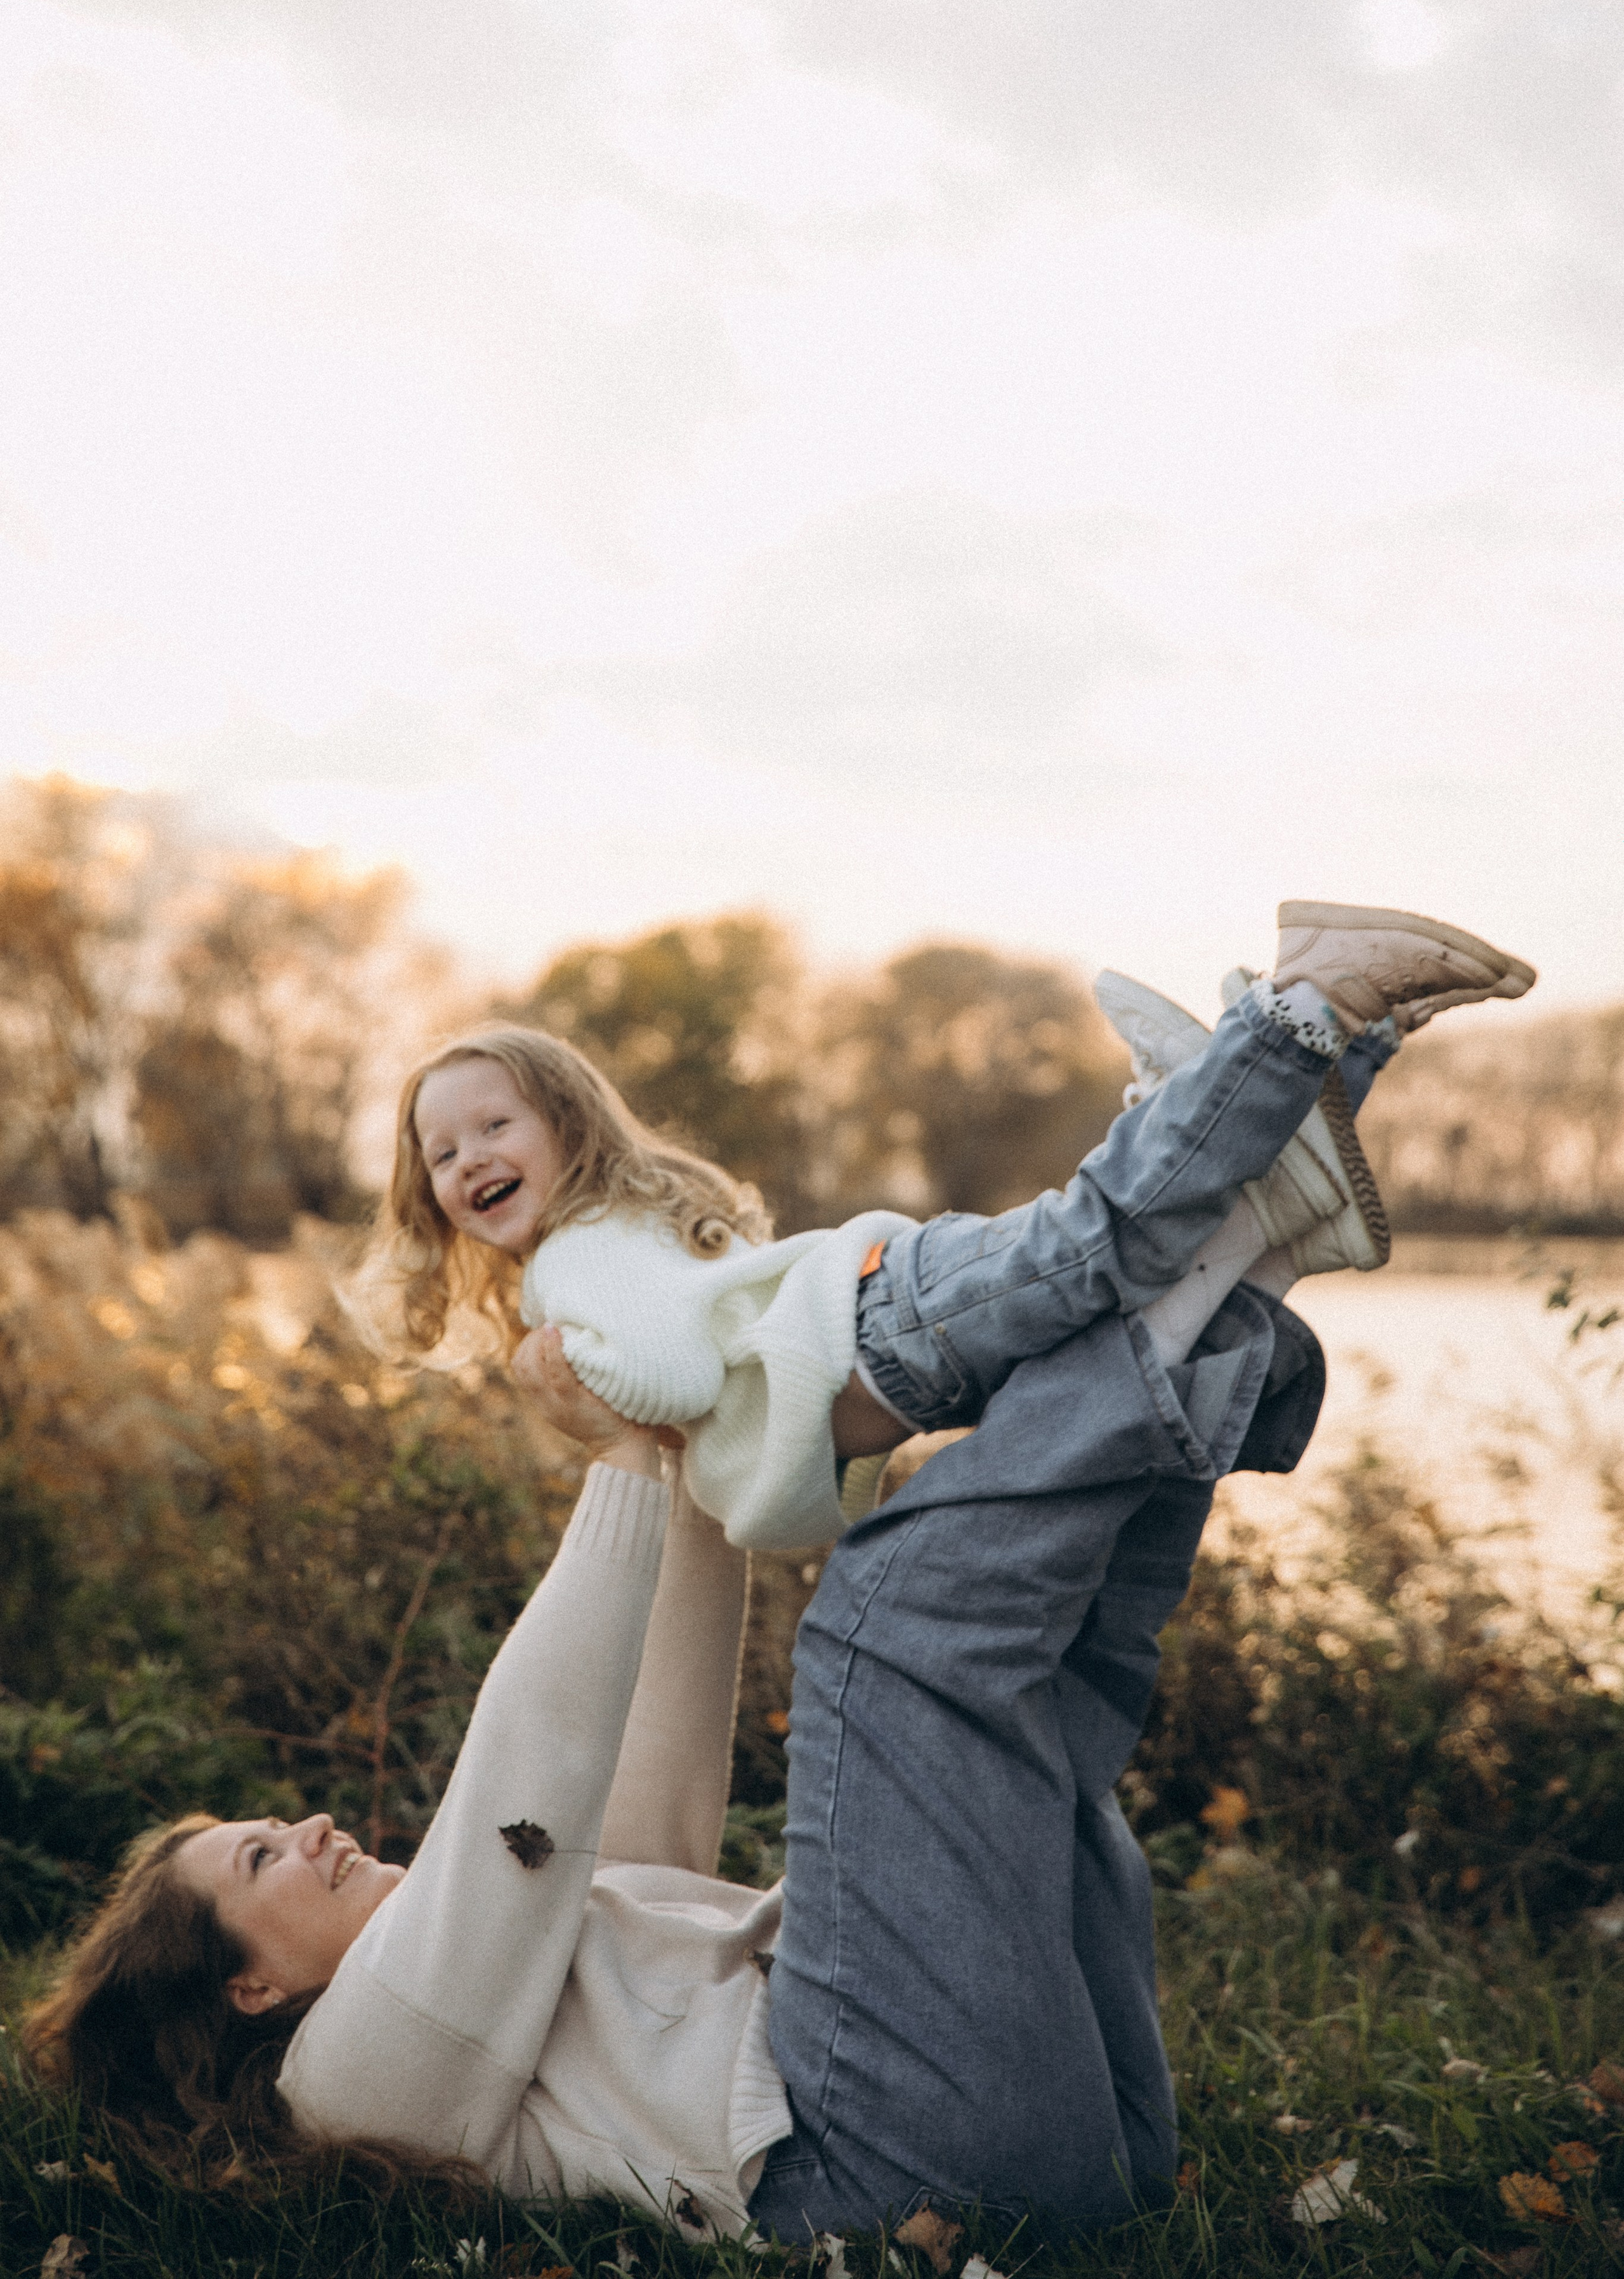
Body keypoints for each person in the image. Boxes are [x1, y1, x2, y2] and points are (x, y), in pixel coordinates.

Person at [27, 902, 1532, 2240]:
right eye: (256, 1861)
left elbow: (650, 1787)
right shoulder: (353, 2079)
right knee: (883, 1633)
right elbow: (517, 1809)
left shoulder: (525, 1974)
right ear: (246, 1989)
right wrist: (613, 1467)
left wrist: (665, 1463)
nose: (302, 1827)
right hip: (880, 2158)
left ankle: (1242, 1244)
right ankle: (1247, 1179)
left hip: (1045, 2131)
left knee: (1033, 1689)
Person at [354, 902, 1533, 1549]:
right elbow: (765, 1421)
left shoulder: (574, 1263)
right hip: (896, 1325)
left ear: (563, 1125)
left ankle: (1296, 1011)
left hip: (892, 1328)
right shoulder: (621, 1235)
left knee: (1102, 1242)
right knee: (1123, 1262)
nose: (469, 1163)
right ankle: (1328, 1052)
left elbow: (667, 1370)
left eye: (491, 1128)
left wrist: (577, 1388)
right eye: (441, 1153)